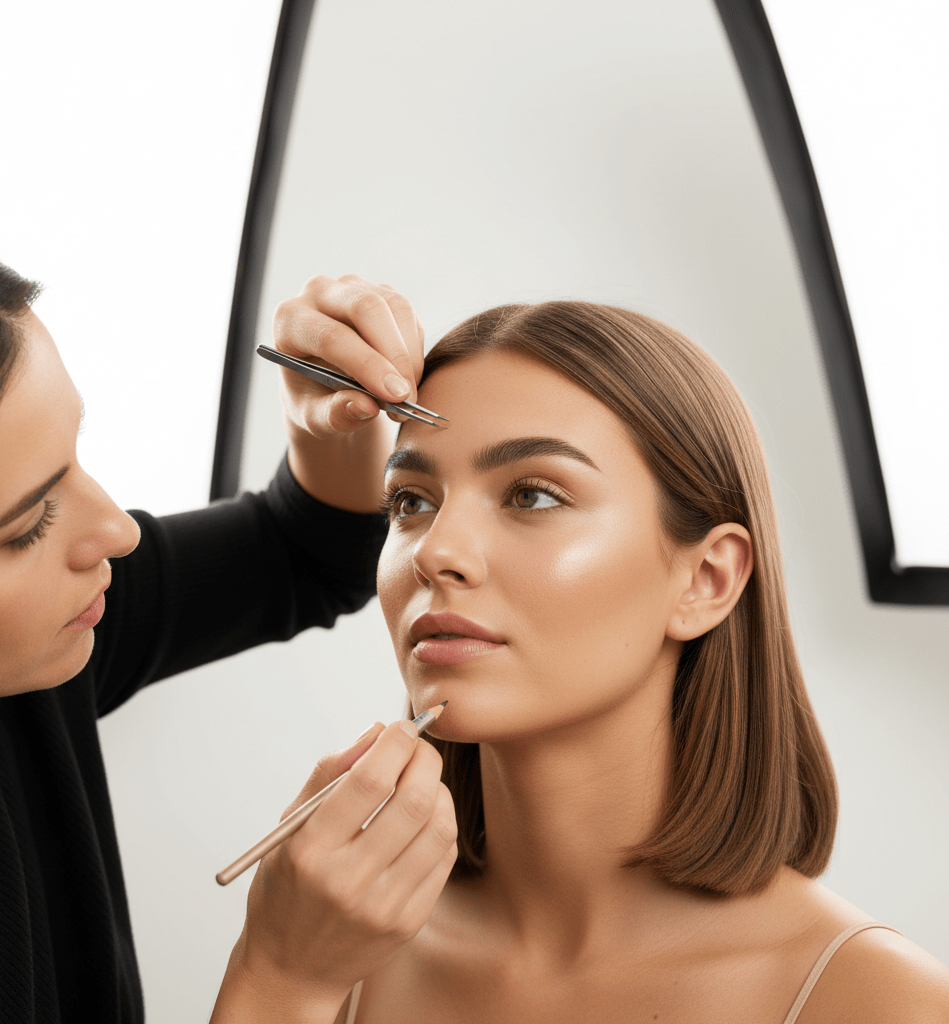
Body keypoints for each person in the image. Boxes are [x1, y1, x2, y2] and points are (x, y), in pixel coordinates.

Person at [226, 299, 949, 1023]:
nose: (437, 552)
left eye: (532, 495)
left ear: (708, 581)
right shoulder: (335, 946)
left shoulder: (882, 1003)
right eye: (411, 501)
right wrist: (280, 981)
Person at [0, 231, 455, 1023]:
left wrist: (328, 422)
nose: (119, 531)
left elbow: (302, 556)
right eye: (31, 521)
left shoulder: (22, 656)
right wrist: (283, 979)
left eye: (76, 457)